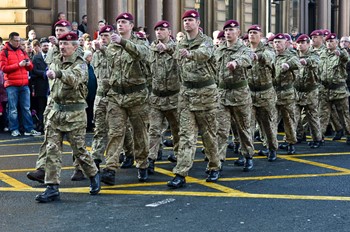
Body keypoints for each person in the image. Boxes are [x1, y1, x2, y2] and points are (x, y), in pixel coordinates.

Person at [35, 32, 101, 203]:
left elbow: (74, 78)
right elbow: (49, 57)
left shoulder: (81, 64)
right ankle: (52, 187)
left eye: (66, 44)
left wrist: (58, 74)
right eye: (61, 44)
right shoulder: (56, 58)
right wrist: (53, 44)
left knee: (79, 150)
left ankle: (93, 174)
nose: (62, 47)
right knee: (52, 150)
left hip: (75, 113)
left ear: (75, 47)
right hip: (56, 112)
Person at [167, 10, 221, 189]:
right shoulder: (180, 43)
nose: (187, 23)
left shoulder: (206, 42)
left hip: (205, 94)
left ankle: (214, 166)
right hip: (187, 95)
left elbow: (204, 54)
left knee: (209, 135)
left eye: (190, 20)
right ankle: (181, 173)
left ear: (198, 23)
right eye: (185, 20)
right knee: (186, 136)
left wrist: (189, 54)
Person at [101, 12, 150, 185]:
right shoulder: (111, 47)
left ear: (131, 25)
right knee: (115, 132)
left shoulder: (140, 42)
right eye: (118, 22)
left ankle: (143, 164)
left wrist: (123, 43)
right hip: (116, 95)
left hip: (137, 96)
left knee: (140, 133)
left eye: (124, 22)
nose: (120, 25)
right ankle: (110, 168)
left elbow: (143, 55)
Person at [215, 20, 255, 170]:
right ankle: (217, 163)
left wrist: (236, 63)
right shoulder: (219, 49)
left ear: (238, 32)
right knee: (221, 130)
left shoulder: (244, 49)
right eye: (226, 30)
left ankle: (248, 155)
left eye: (231, 30)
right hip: (222, 95)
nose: (228, 33)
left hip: (240, 95)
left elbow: (247, 58)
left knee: (243, 128)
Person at [147, 20, 180, 174]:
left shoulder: (177, 48)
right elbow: (148, 73)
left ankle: (180, 157)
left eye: (162, 29)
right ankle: (151, 159)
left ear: (169, 31)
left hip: (174, 98)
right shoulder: (151, 50)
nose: (159, 32)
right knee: (153, 130)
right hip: (156, 97)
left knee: (177, 130)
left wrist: (168, 49)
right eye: (157, 30)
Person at [247, 25, 278, 161]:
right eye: (250, 33)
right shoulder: (244, 50)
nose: (252, 35)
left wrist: (257, 56)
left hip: (265, 92)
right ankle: (247, 153)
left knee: (268, 124)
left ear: (260, 35)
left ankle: (271, 148)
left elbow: (269, 57)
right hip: (249, 92)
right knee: (248, 124)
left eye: (255, 33)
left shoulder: (267, 48)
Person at [0, 32, 41, 137]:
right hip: (11, 84)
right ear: (10, 40)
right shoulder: (4, 52)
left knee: (26, 108)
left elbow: (30, 66)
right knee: (13, 109)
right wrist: (18, 65)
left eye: (19, 40)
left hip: (24, 84)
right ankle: (14, 129)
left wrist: (28, 64)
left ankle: (29, 129)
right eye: (16, 40)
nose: (18, 42)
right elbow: (3, 68)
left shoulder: (22, 51)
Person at [319, 33, 350, 145]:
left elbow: (346, 58)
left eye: (331, 41)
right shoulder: (322, 54)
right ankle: (318, 137)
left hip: (339, 89)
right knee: (323, 114)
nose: (329, 43)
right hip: (325, 89)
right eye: (327, 41)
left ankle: (349, 134)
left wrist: (340, 54)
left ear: (336, 43)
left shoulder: (342, 52)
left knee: (344, 114)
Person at [273, 33, 300, 154]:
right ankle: (271, 146)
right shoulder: (272, 55)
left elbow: (296, 63)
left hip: (287, 93)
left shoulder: (291, 55)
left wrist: (288, 65)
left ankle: (290, 143)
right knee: (271, 120)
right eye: (275, 42)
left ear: (286, 43)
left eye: (280, 42)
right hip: (273, 93)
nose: (277, 44)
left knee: (289, 120)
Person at [294, 34, 322, 148]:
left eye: (303, 43)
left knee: (312, 116)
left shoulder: (313, 54)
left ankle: (317, 139)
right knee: (295, 116)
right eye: (299, 43)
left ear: (308, 44)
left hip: (310, 91)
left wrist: (306, 62)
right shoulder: (294, 55)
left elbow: (315, 61)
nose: (300, 45)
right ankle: (299, 136)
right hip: (297, 91)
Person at [29, 37, 50, 132]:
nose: (46, 47)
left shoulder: (52, 56)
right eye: (44, 46)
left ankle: (49, 126)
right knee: (41, 107)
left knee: (49, 107)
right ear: (41, 47)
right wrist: (44, 73)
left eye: (47, 45)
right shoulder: (36, 57)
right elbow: (33, 70)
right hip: (40, 86)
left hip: (50, 86)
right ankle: (41, 125)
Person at [83, 50, 97, 132]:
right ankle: (85, 125)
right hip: (85, 92)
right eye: (90, 56)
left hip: (92, 92)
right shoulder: (82, 66)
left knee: (90, 110)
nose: (91, 57)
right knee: (85, 109)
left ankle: (89, 124)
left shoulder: (91, 66)